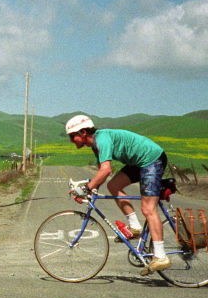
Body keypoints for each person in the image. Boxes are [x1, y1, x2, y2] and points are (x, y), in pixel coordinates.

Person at [65, 114, 171, 275]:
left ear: (84, 132)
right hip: (137, 163)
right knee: (113, 185)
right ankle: (135, 227)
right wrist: (89, 191)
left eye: (72, 136)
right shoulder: (96, 145)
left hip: (151, 159)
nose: (71, 141)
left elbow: (106, 169)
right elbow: (102, 174)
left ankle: (161, 256)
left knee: (148, 209)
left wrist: (86, 188)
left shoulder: (101, 140)